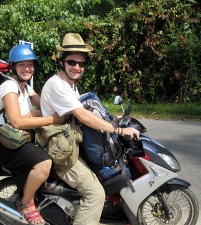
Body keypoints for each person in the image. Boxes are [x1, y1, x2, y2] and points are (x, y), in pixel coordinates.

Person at [40, 33, 140, 225]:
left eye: (82, 64)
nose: (77, 67)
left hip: (72, 143)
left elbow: (89, 112)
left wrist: (114, 119)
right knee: (95, 193)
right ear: (61, 62)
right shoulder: (57, 85)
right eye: (72, 62)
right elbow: (83, 116)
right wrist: (117, 130)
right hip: (62, 151)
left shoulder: (70, 86)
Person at [0, 44, 65, 225]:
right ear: (13, 66)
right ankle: (26, 204)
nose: (27, 68)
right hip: (0, 142)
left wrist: (69, 108)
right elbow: (17, 122)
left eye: (30, 64)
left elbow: (45, 105)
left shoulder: (26, 88)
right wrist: (53, 119)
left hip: (16, 139)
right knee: (44, 162)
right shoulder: (9, 86)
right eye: (22, 65)